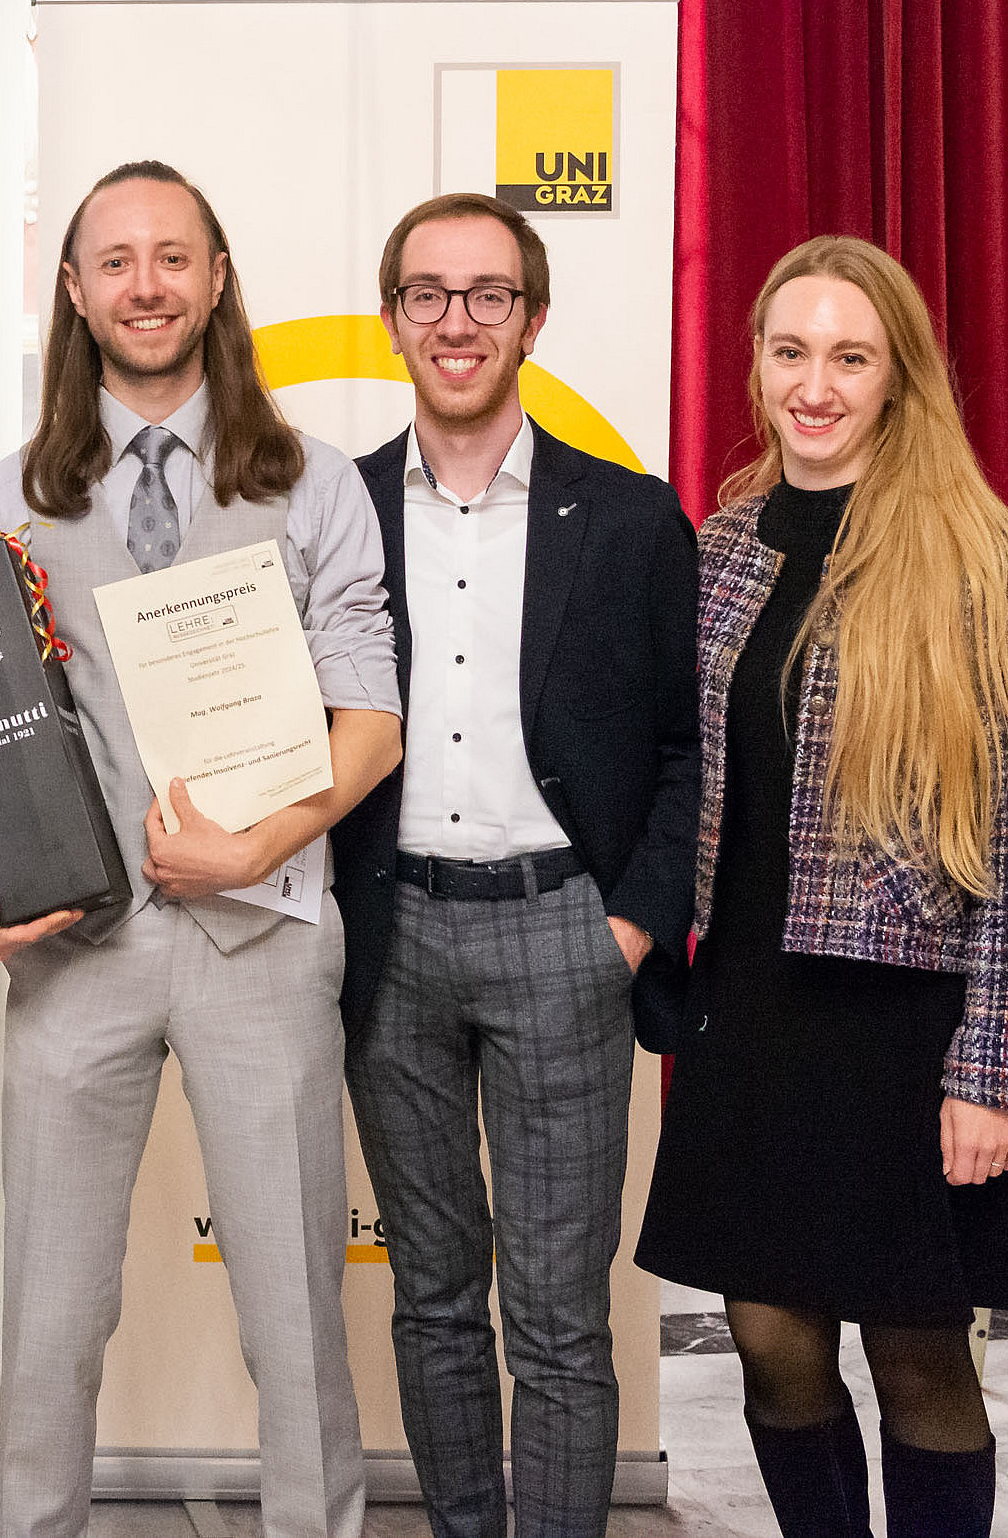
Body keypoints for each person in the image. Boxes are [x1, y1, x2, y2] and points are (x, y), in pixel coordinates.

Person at [0, 161, 402, 1538]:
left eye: (173, 257)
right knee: (54, 1310)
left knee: (293, 1309)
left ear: (214, 280)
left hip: (261, 932)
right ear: (77, 293)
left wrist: (249, 848)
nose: (145, 284)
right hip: (78, 947)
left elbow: (370, 721)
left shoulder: (313, 482)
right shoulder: (4, 492)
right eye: (116, 261)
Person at [636, 234, 1008, 1538]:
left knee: (921, 1357)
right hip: (750, 1012)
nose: (813, 383)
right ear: (759, 362)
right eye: (790, 350)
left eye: (848, 355)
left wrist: (993, 1067)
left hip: (909, 1024)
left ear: (896, 376)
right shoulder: (722, 544)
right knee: (772, 1339)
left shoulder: (987, 565)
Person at [324, 192, 700, 1538]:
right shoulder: (338, 508)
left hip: (566, 934)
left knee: (555, 1311)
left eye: (488, 293)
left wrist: (634, 926)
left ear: (533, 319)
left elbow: (683, 750)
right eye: (428, 292)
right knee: (431, 1290)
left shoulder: (632, 518)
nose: (456, 319)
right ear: (393, 320)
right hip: (392, 935)